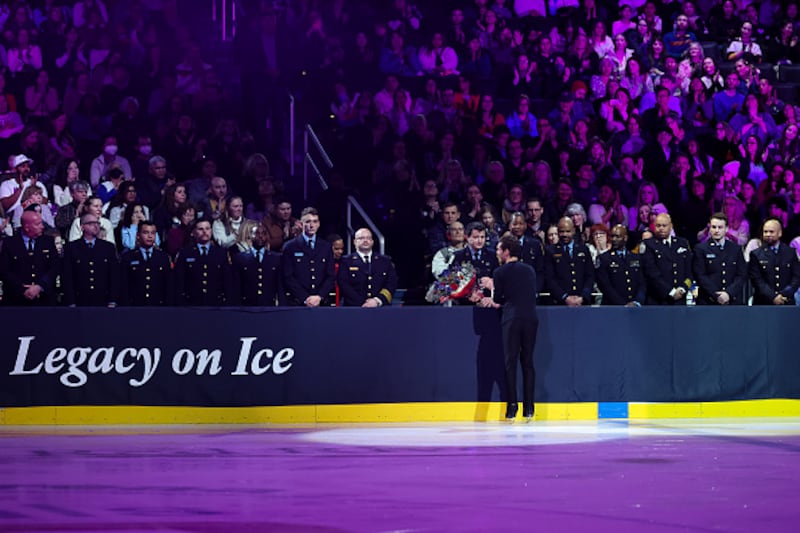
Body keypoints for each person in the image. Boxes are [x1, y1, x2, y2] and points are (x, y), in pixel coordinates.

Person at [480, 235, 538, 421]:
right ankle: (529, 408)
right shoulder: (529, 270)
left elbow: (498, 300)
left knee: (510, 363)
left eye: (498, 249)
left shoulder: (500, 272)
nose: (497, 253)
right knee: (528, 362)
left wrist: (491, 286)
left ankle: (512, 407)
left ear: (506, 251)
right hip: (530, 318)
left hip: (512, 319)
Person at [0, 211, 60, 305]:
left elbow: (54, 267)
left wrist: (39, 286)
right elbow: (4, 270)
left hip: (43, 299)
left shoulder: (48, 242)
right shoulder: (10, 243)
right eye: (38, 224)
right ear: (27, 227)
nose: (42, 227)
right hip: (17, 299)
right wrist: (22, 288)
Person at [61, 213, 120, 307]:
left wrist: (112, 300)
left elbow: (113, 276)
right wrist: (71, 301)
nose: (96, 226)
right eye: (91, 223)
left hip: (103, 300)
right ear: (82, 227)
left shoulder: (108, 247)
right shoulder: (71, 248)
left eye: (97, 223)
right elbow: (68, 277)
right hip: (80, 299)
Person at [281, 207, 335, 307]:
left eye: (315, 222)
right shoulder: (290, 247)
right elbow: (288, 276)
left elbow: (330, 276)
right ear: (301, 224)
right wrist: (305, 298)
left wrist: (319, 296)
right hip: (297, 303)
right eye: (308, 222)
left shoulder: (326, 247)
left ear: (318, 224)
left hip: (321, 303)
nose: (311, 225)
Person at [692, 213, 747, 305]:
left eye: (720, 227)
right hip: (708, 301)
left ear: (726, 229)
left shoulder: (736, 249)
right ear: (709, 228)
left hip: (732, 300)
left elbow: (741, 275)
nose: (716, 230)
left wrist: (728, 294)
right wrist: (717, 295)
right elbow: (700, 275)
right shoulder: (700, 249)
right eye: (714, 227)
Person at [173, 218, 232, 306]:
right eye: (201, 229)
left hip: (216, 303)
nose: (205, 232)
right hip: (192, 304)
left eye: (207, 228)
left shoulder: (221, 253)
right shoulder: (185, 253)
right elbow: (179, 281)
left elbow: (227, 281)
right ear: (193, 233)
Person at [640, 213, 693, 305]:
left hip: (680, 298)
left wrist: (683, 288)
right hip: (658, 299)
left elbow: (689, 270)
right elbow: (652, 273)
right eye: (658, 225)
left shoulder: (682, 243)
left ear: (671, 226)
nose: (661, 228)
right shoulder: (648, 245)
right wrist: (671, 292)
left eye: (664, 225)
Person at [338, 227, 398, 307]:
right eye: (361, 238)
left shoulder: (385, 261)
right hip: (354, 309)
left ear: (372, 241)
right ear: (355, 242)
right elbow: (344, 285)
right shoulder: (346, 261)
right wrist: (363, 303)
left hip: (380, 308)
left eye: (368, 238)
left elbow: (391, 284)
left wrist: (377, 301)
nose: (365, 240)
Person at [544, 217, 595, 306]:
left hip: (582, 302)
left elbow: (590, 275)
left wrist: (583, 296)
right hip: (560, 303)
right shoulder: (550, 251)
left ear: (573, 231)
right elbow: (549, 279)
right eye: (561, 231)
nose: (564, 234)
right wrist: (564, 297)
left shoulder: (583, 249)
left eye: (568, 231)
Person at [119, 221, 172, 306]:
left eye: (153, 233)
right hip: (134, 306)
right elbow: (124, 284)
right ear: (138, 235)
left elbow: (168, 284)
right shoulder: (128, 257)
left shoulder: (163, 257)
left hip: (158, 306)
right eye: (146, 233)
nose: (150, 236)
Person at [748, 218, 800, 305]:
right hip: (763, 303)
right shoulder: (756, 254)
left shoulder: (790, 252)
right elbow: (757, 280)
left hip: (786, 301)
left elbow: (797, 277)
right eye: (765, 232)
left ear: (780, 233)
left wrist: (784, 294)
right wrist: (773, 297)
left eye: (771, 232)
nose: (768, 234)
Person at [231, 224, 282, 306]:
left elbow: (279, 285)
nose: (261, 236)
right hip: (247, 305)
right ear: (250, 236)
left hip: (269, 305)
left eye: (264, 233)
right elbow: (236, 286)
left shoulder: (276, 258)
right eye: (257, 233)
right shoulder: (240, 258)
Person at [595, 224, 645, 306]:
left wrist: (637, 302)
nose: (614, 239)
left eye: (617, 237)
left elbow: (642, 283)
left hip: (635, 308)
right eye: (612, 236)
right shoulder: (603, 259)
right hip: (613, 307)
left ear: (625, 238)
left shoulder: (635, 257)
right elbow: (605, 286)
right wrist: (623, 305)